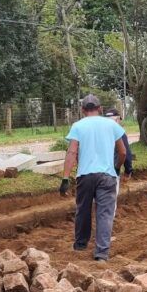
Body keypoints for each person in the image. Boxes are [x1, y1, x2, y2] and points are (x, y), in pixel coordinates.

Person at [60, 95, 126, 262]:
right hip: (107, 175)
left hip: (85, 175)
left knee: (83, 209)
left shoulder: (77, 126)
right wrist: (117, 168)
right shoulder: (112, 125)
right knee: (104, 214)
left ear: (83, 110)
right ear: (100, 108)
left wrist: (65, 178)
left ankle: (80, 244)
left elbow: (72, 152)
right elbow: (123, 152)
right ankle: (102, 253)